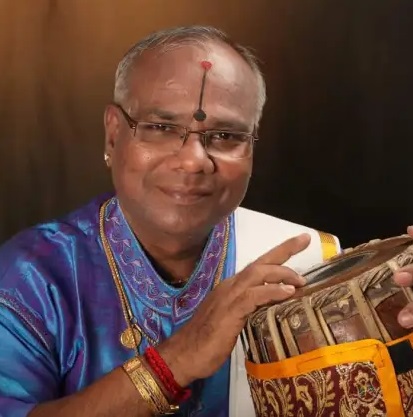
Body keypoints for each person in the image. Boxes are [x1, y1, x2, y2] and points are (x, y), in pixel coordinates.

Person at [0, 25, 411, 417]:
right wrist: (177, 360)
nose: (194, 161)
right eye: (161, 127)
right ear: (112, 135)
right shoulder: (32, 278)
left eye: (226, 136)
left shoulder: (312, 267)